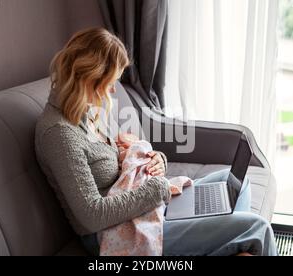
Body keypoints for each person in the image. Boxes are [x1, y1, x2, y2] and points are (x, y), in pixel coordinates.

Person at [34, 27, 277, 256]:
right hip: (117, 231)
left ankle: (226, 239)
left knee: (236, 182)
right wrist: (157, 189)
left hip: (141, 205)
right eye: (109, 83)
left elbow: (123, 153)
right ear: (88, 76)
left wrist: (155, 159)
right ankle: (228, 237)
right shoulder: (59, 133)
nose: (111, 92)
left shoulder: (85, 110)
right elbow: (92, 215)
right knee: (257, 227)